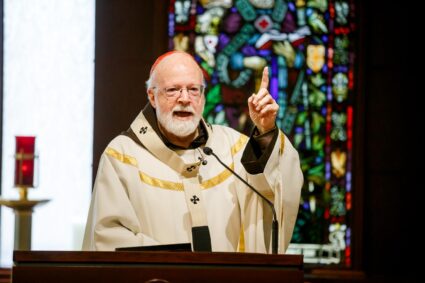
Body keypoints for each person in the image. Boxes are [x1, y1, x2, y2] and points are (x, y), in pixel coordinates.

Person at [82, 51, 303, 253]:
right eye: (173, 90)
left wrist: (266, 131)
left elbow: (278, 190)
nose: (185, 98)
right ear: (152, 96)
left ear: (203, 96)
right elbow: (108, 239)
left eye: (193, 90)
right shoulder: (122, 157)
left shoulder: (234, 149)